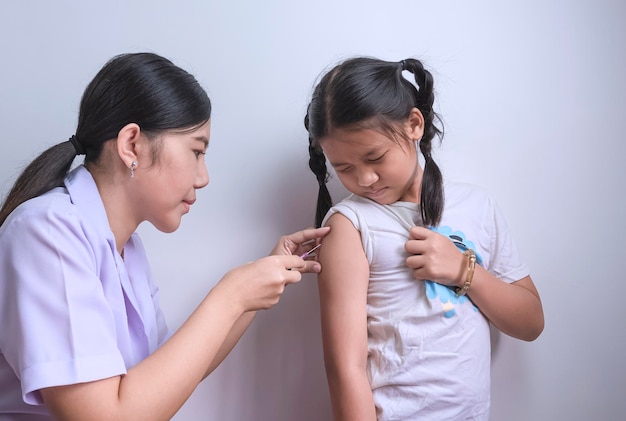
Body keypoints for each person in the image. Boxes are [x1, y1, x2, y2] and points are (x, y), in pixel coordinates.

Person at [0, 52, 329, 420]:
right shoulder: (47, 231)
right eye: (196, 151)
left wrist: (254, 287)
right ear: (132, 145)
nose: (203, 177)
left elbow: (168, 375)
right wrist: (231, 295)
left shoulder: (128, 249)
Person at [304, 56, 544, 420]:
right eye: (345, 168)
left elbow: (530, 323)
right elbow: (345, 370)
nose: (365, 179)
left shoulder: (476, 205)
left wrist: (466, 271)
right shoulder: (350, 225)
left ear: (414, 124)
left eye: (375, 157)